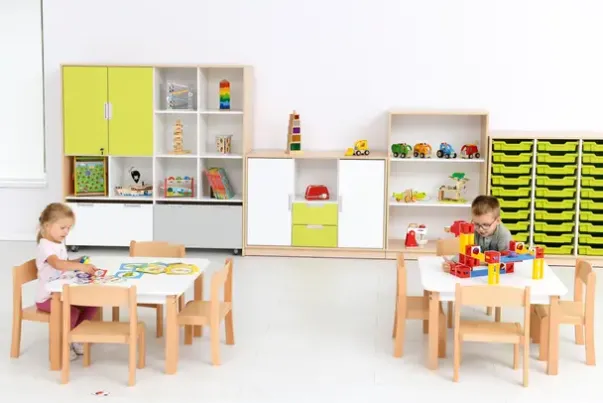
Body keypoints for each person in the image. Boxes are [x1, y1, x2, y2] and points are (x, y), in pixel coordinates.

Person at [35, 203, 98, 360]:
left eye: (69, 228)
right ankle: (65, 344)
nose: (66, 232)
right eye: (63, 228)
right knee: (72, 311)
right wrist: (80, 267)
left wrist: (78, 261)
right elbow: (57, 264)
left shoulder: (58, 243)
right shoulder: (45, 246)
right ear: (47, 225)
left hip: (62, 291)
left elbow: (65, 262)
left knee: (92, 303)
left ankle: (76, 336)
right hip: (47, 298)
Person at [443, 195, 513, 269]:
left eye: (485, 225)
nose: (480, 229)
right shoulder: (472, 232)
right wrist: (453, 262)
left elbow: (507, 260)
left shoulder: (504, 235)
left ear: (498, 221)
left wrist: (480, 261)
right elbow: (464, 254)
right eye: (476, 224)